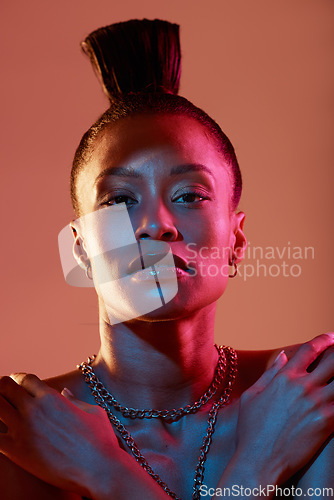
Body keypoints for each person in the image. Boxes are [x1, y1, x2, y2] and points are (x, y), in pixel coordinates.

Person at [0, 19, 333, 500]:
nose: (155, 225)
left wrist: (107, 476)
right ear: (80, 249)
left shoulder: (312, 396)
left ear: (237, 240)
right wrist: (260, 463)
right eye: (118, 200)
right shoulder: (18, 430)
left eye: (189, 194)